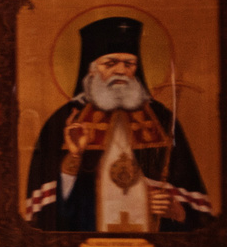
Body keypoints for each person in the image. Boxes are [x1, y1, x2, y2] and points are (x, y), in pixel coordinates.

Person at [22, 16, 209, 234]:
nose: (121, 71)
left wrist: (177, 212)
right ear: (92, 69)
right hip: (88, 239)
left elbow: (191, 202)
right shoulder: (65, 120)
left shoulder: (161, 119)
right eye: (110, 63)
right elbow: (52, 212)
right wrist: (74, 156)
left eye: (129, 64)